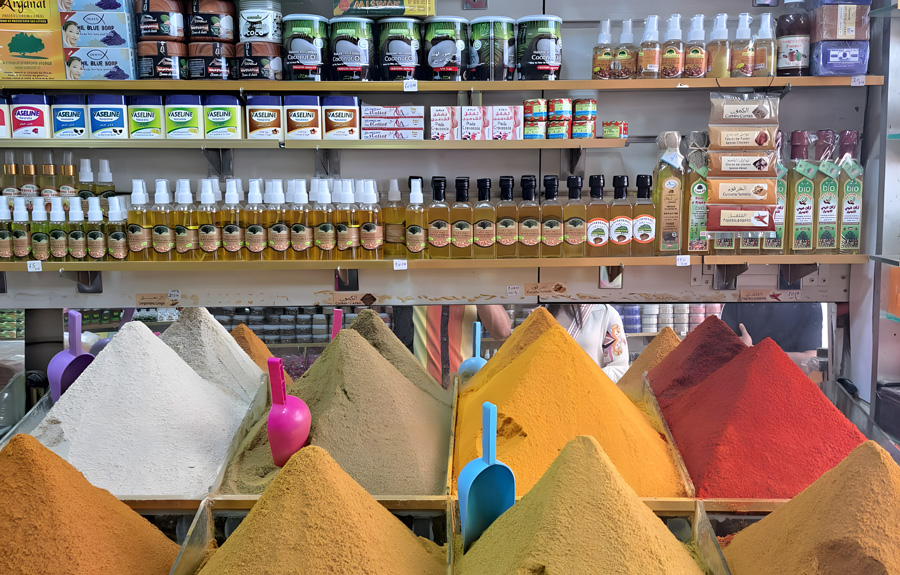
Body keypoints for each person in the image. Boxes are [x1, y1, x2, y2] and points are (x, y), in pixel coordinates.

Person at [394, 305, 511, 388]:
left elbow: (502, 331)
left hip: (464, 390)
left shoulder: (472, 286)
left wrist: (477, 283)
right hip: (421, 391)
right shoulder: (416, 284)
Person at [721, 302, 823, 372]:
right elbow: (724, 360)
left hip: (790, 388)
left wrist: (752, 353)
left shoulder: (809, 301)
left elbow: (809, 363)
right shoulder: (736, 300)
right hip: (747, 387)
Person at [546, 304, 629, 382]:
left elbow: (619, 369)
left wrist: (585, 378)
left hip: (591, 389)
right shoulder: (544, 314)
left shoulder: (605, 313)